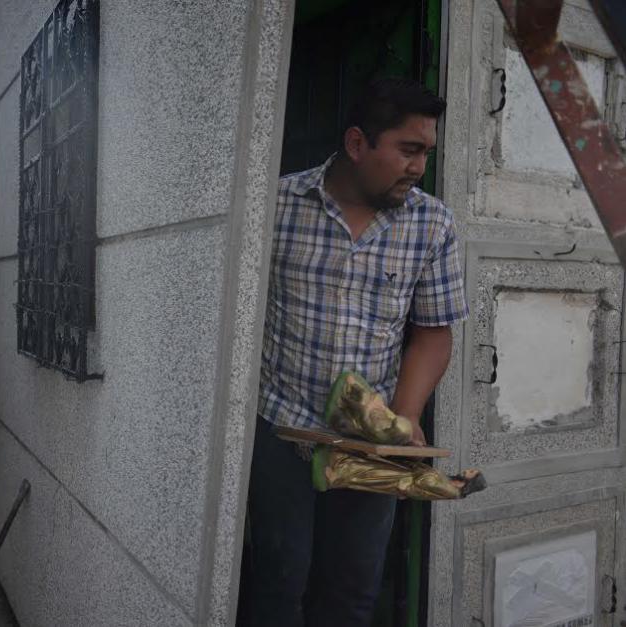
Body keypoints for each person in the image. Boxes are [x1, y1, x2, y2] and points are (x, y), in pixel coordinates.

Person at [245, 77, 469, 625]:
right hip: (282, 430)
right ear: (355, 143)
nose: (418, 167)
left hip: (372, 447)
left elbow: (433, 333)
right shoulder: (274, 204)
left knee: (352, 594)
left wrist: (406, 417)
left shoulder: (431, 223)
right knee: (275, 584)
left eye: (426, 153)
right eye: (408, 150)